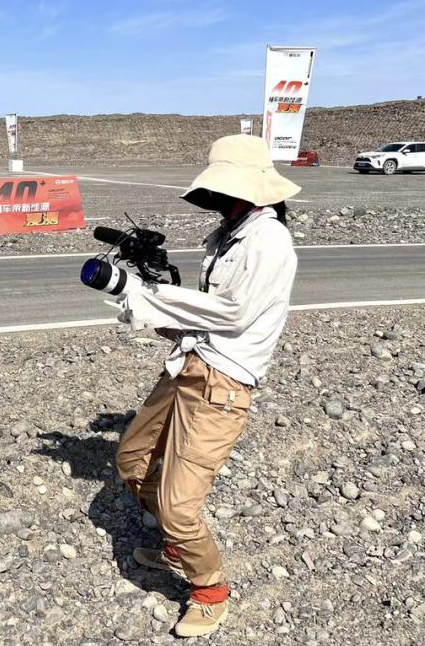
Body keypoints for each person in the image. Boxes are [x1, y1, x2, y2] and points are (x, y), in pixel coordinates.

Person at [113, 134, 300, 638]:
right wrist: (156, 309)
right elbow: (208, 314)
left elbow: (234, 313)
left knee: (177, 506)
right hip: (189, 363)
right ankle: (177, 544)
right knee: (132, 461)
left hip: (223, 383)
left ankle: (210, 591)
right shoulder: (230, 233)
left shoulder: (268, 240)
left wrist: (148, 295)